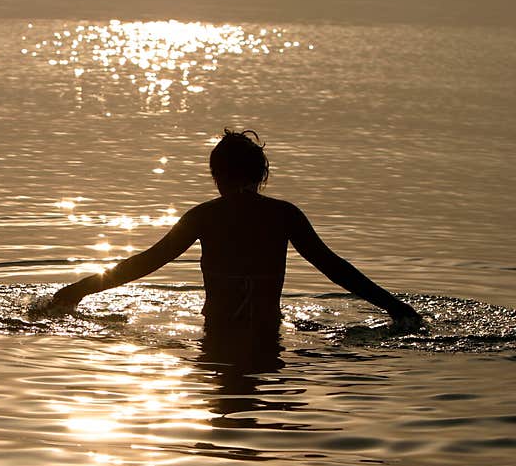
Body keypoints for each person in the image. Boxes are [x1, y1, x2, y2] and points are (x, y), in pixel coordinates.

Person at [50, 129, 422, 338]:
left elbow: (146, 263)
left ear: (216, 175)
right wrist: (397, 308)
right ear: (261, 175)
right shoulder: (284, 215)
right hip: (269, 334)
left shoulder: (203, 217)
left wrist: (77, 290)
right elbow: (334, 268)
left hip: (216, 335)